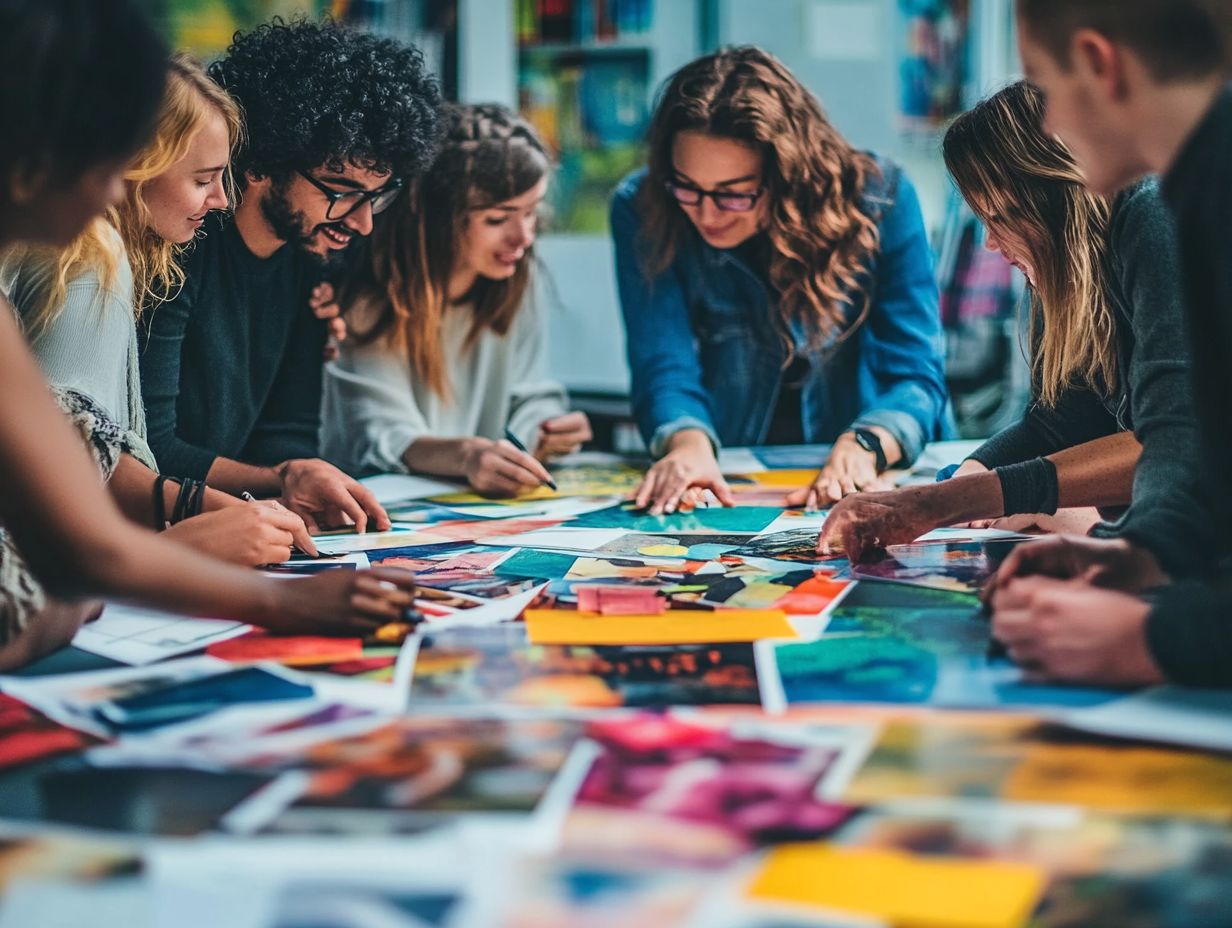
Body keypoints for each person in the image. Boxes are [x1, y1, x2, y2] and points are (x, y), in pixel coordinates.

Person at [0, 0, 415, 671]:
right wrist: (271, 594)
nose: (116, 195)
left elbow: (77, 547)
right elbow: (78, 558)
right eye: (112, 166)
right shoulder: (96, 256)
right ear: (32, 160)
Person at [818, 81, 1204, 566]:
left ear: (1058, 195)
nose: (990, 245)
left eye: (1000, 217)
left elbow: (1178, 443)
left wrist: (959, 501)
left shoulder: (1153, 213)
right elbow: (1059, 422)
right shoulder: (1060, 259)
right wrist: (966, 477)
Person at [985, 0, 1232, 688]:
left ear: (1100, 63)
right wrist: (1137, 553)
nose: (1052, 126)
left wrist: (1158, 638)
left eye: (1046, 87)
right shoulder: (1195, 187)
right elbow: (1197, 448)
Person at [1, 54, 317, 568]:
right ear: (134, 167)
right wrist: (193, 527)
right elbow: (75, 458)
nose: (220, 199)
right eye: (203, 178)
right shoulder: (91, 251)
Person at [611, 46, 950, 516]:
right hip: (733, 469)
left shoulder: (881, 198)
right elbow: (662, 362)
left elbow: (915, 375)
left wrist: (865, 445)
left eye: (734, 195)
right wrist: (687, 446)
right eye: (686, 186)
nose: (705, 214)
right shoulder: (641, 205)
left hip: (871, 457)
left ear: (789, 176)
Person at [139, 18, 443, 534]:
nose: (362, 220)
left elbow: (288, 430)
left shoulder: (313, 260)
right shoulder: (180, 251)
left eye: (377, 195)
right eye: (340, 191)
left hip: (240, 526)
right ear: (262, 163)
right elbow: (150, 447)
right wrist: (282, 477)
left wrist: (300, 476)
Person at [323, 104, 591, 496]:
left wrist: (547, 429)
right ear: (439, 220)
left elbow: (528, 394)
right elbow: (380, 435)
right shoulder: (370, 297)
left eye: (531, 212)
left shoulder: (518, 278)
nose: (523, 237)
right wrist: (468, 456)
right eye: (498, 219)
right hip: (379, 505)